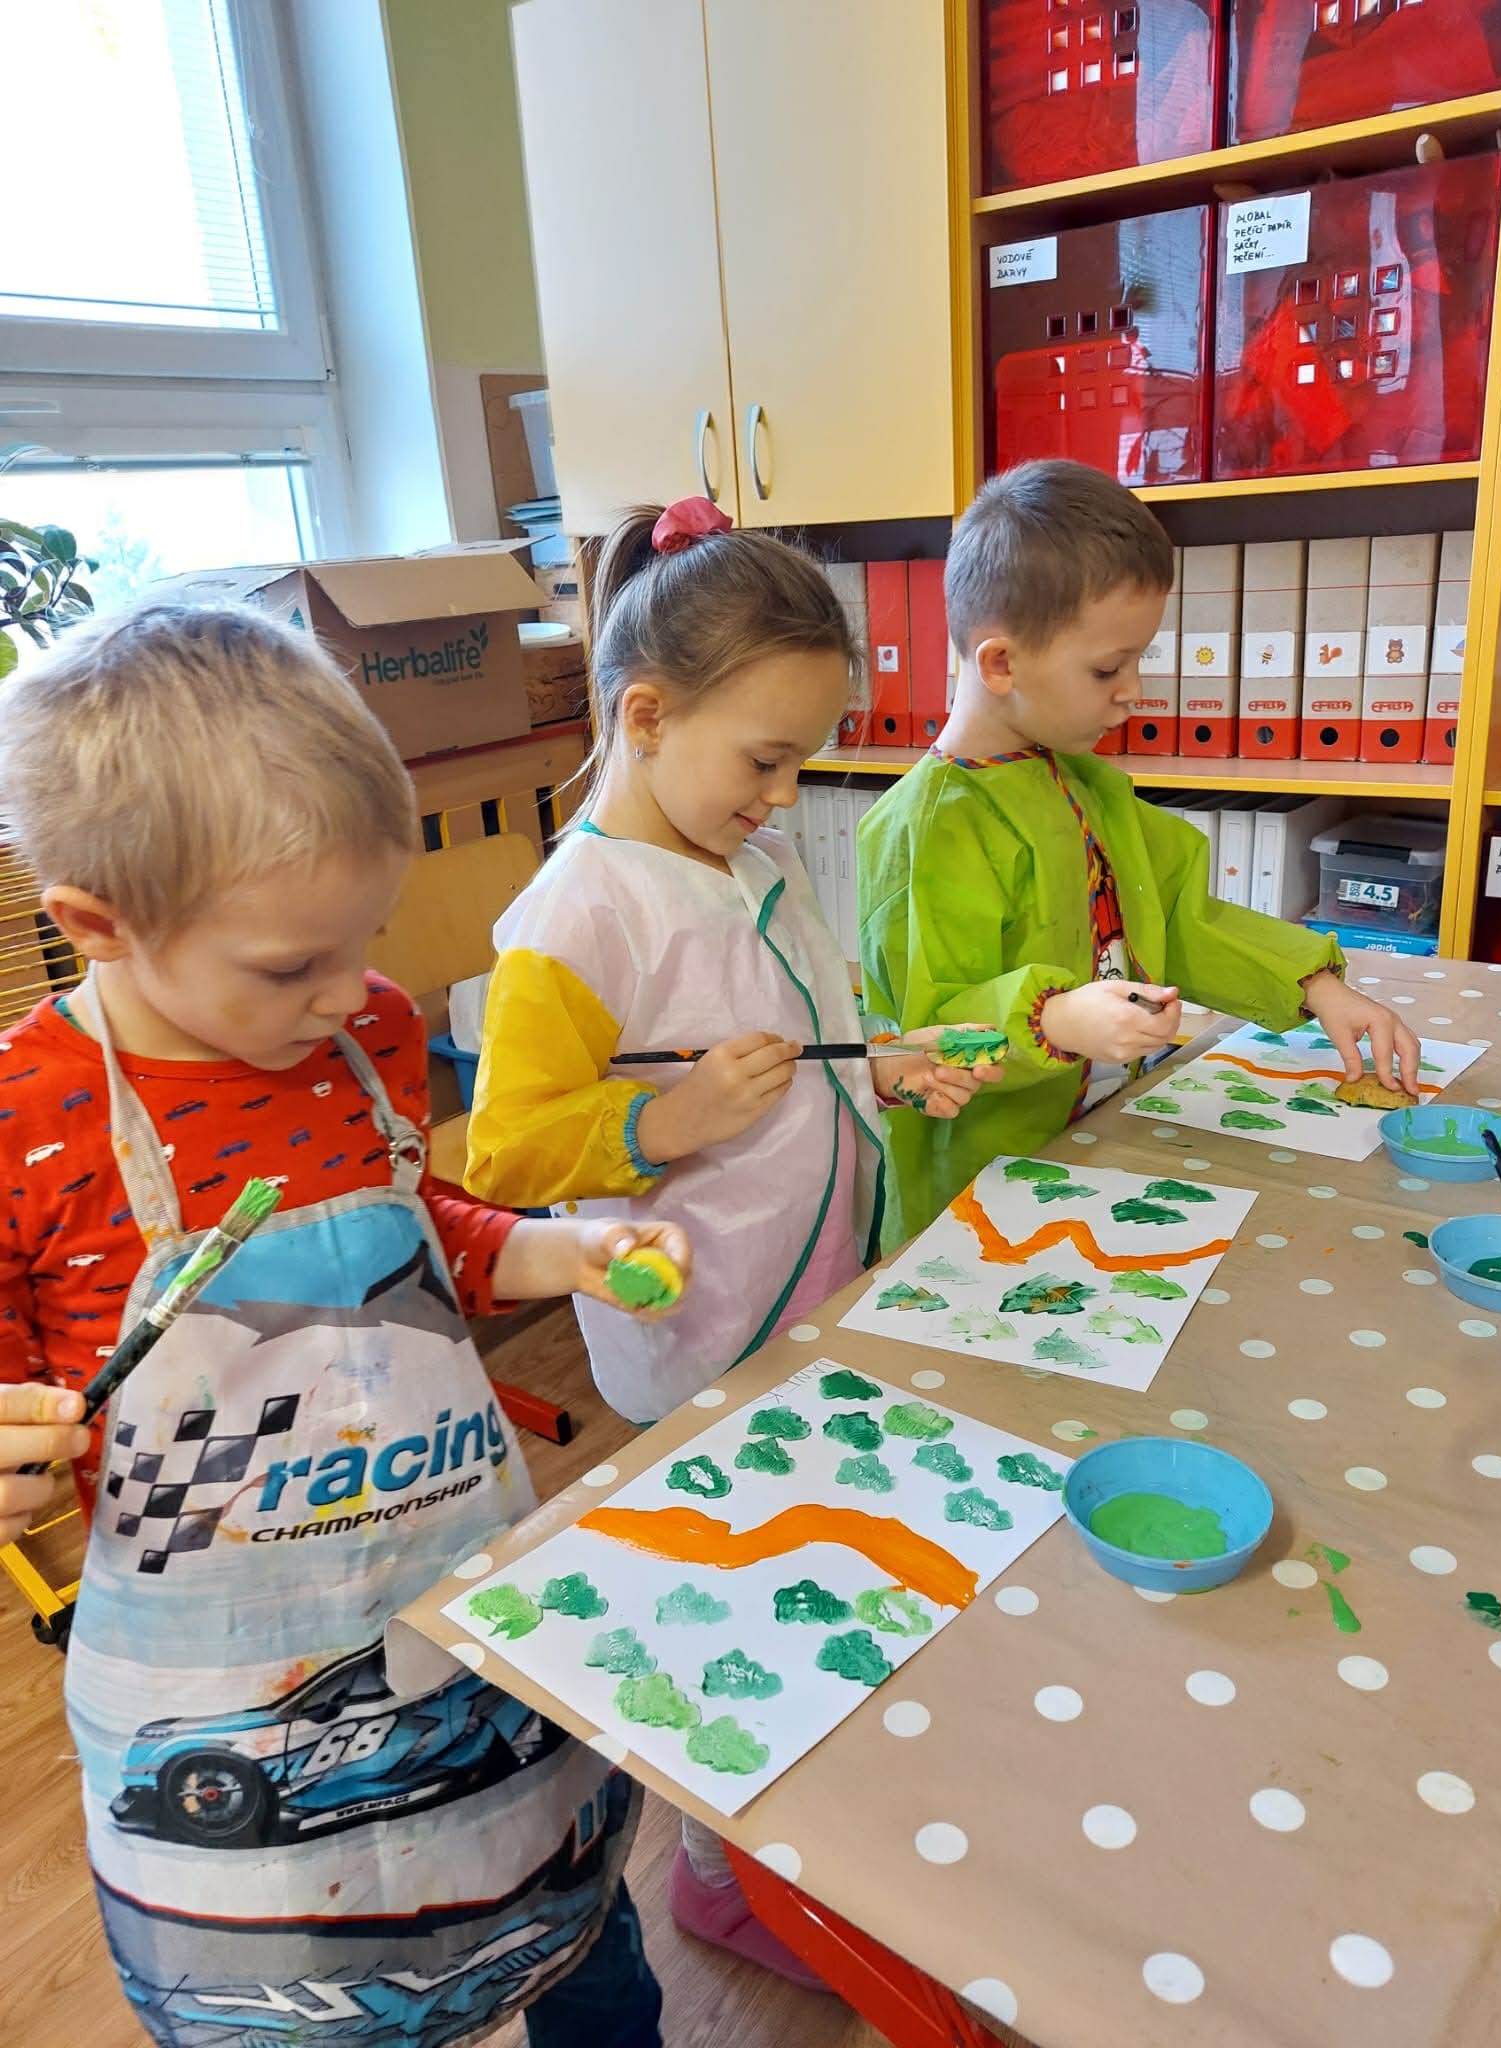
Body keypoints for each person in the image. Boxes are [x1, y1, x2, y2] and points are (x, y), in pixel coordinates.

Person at [0, 604, 686, 2048]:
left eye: (364, 939)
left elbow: (420, 1234)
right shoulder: (25, 1118)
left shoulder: (363, 1031)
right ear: (95, 922)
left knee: (570, 1917)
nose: (350, 992)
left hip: (452, 1585)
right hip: (221, 1668)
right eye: (287, 965)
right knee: (297, 1999)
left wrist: (562, 1248)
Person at [463, 496, 995, 1982]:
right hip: (697, 1321)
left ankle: (803, 1825)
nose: (783, 791)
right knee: (718, 1602)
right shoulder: (573, 916)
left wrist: (883, 1061)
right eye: (764, 759)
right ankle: (714, 1875)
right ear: (647, 717)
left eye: (801, 760)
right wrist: (666, 1121)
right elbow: (505, 1152)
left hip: (813, 1280)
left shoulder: (746, 858)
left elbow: (806, 1023)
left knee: (807, 1563)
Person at [858, 460, 1422, 1244]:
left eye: (1137, 660)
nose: (1134, 691)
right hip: (982, 1192)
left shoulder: (1085, 783)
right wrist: (1057, 1018)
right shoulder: (926, 829)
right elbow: (927, 1036)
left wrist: (1315, 982)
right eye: (1107, 668)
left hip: (1101, 1145)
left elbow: (1178, 918)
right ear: (1001, 663)